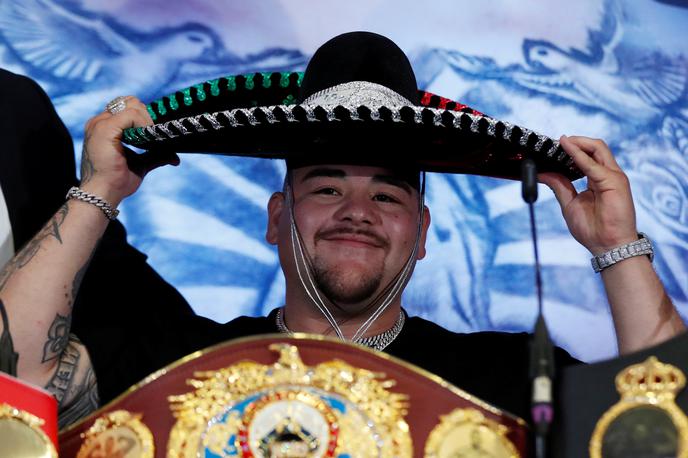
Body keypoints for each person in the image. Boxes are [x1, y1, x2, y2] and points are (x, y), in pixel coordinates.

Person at [0, 32, 684, 427]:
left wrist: (616, 248)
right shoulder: (176, 358)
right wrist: (100, 188)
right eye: (326, 187)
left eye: (387, 195)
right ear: (276, 220)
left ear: (421, 234)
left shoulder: (509, 377)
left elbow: (668, 426)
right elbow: (17, 386)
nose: (356, 211)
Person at [0, 68, 197, 428]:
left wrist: (103, 187)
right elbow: (15, 382)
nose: (338, 211)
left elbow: (108, 272)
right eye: (325, 190)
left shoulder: (14, 105)